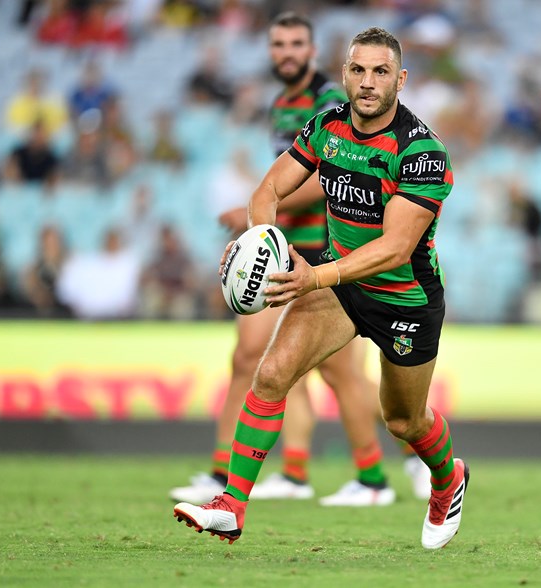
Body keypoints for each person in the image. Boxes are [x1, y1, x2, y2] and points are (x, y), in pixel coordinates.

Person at [173, 26, 469, 549]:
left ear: (400, 80)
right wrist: (260, 243)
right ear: (344, 74)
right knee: (271, 375)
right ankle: (231, 505)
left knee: (403, 420)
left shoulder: (422, 151)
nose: (368, 82)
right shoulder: (326, 125)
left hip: (405, 298)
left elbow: (395, 249)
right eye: (358, 70)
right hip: (340, 286)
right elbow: (268, 190)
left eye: (381, 72)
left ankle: (448, 479)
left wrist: (313, 274)